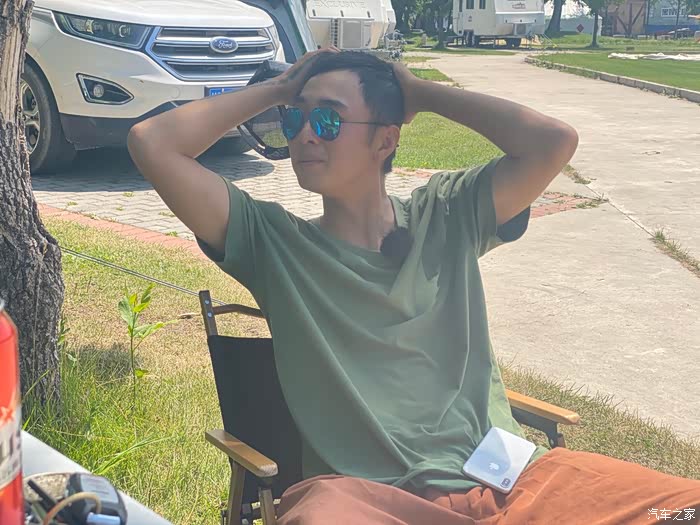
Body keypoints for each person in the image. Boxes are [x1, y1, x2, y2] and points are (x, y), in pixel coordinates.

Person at [128, 49, 700, 524]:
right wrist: (277, 90)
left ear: (385, 141)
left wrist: (421, 93)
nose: (304, 136)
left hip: (510, 480)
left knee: (682, 508)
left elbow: (553, 142)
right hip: (371, 499)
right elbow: (152, 143)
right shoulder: (274, 245)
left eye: (327, 120)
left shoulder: (448, 213)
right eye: (295, 120)